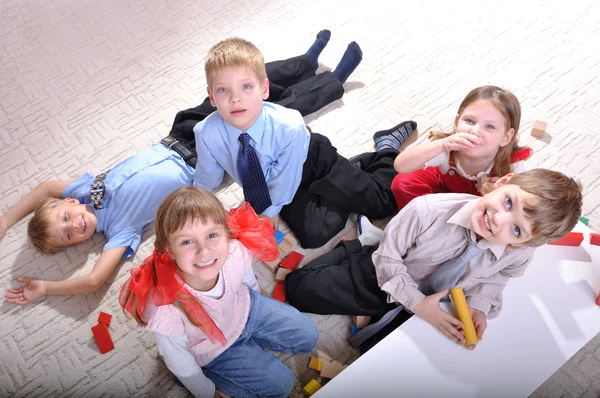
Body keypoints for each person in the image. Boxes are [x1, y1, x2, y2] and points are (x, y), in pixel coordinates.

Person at [1, 32, 354, 305]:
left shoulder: (83, 190)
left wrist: (6, 218)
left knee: (237, 88)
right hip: (205, 157)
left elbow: (46, 186)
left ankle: (304, 62)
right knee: (272, 115)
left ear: (70, 204)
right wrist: (46, 287)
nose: (73, 226)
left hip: (179, 133)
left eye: (64, 218)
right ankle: (332, 82)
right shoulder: (119, 232)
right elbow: (94, 281)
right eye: (68, 237)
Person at [285, 169, 583, 351]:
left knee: (387, 352)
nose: (499, 219)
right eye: (508, 202)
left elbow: (497, 277)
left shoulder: (519, 253)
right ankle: (359, 245)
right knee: (299, 291)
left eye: (516, 229)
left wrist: (478, 307)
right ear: (503, 181)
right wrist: (416, 303)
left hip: (435, 297)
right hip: (385, 273)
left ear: (526, 242)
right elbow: (388, 259)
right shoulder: (427, 210)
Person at [193, 35, 417, 249]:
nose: (235, 98)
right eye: (223, 90)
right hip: (275, 183)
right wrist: (198, 209)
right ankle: (353, 170)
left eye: (246, 86)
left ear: (264, 89)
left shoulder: (289, 126)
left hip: (313, 162)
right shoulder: (205, 133)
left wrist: (268, 213)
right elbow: (206, 177)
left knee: (383, 203)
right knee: (314, 235)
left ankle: (386, 148)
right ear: (211, 97)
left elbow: (285, 180)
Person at [119, 186, 318, 398]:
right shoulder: (164, 306)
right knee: (281, 386)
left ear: (226, 233)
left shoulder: (233, 251)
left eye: (212, 235)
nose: (204, 251)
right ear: (169, 250)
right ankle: (206, 374)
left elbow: (244, 274)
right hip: (210, 348)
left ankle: (253, 339)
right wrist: (207, 392)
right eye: (187, 241)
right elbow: (178, 359)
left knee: (308, 335)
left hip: (245, 308)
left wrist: (259, 296)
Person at [391, 85, 532, 210]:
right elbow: (400, 166)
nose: (475, 131)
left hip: (479, 206)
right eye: (470, 121)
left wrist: (507, 190)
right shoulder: (446, 147)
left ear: (505, 138)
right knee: (402, 183)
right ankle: (423, 221)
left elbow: (531, 201)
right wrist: (441, 145)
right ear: (457, 121)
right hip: (442, 190)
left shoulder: (514, 164)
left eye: (489, 126)